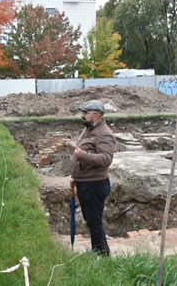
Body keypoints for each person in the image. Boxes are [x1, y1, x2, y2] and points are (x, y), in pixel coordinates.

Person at [71, 100, 115, 256]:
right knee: (91, 220)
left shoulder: (105, 133)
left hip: (94, 185)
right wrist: (75, 175)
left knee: (94, 222)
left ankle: (102, 254)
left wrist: (82, 155)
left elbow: (105, 159)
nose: (82, 115)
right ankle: (97, 250)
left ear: (96, 115)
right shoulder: (89, 129)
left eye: (85, 113)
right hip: (85, 183)